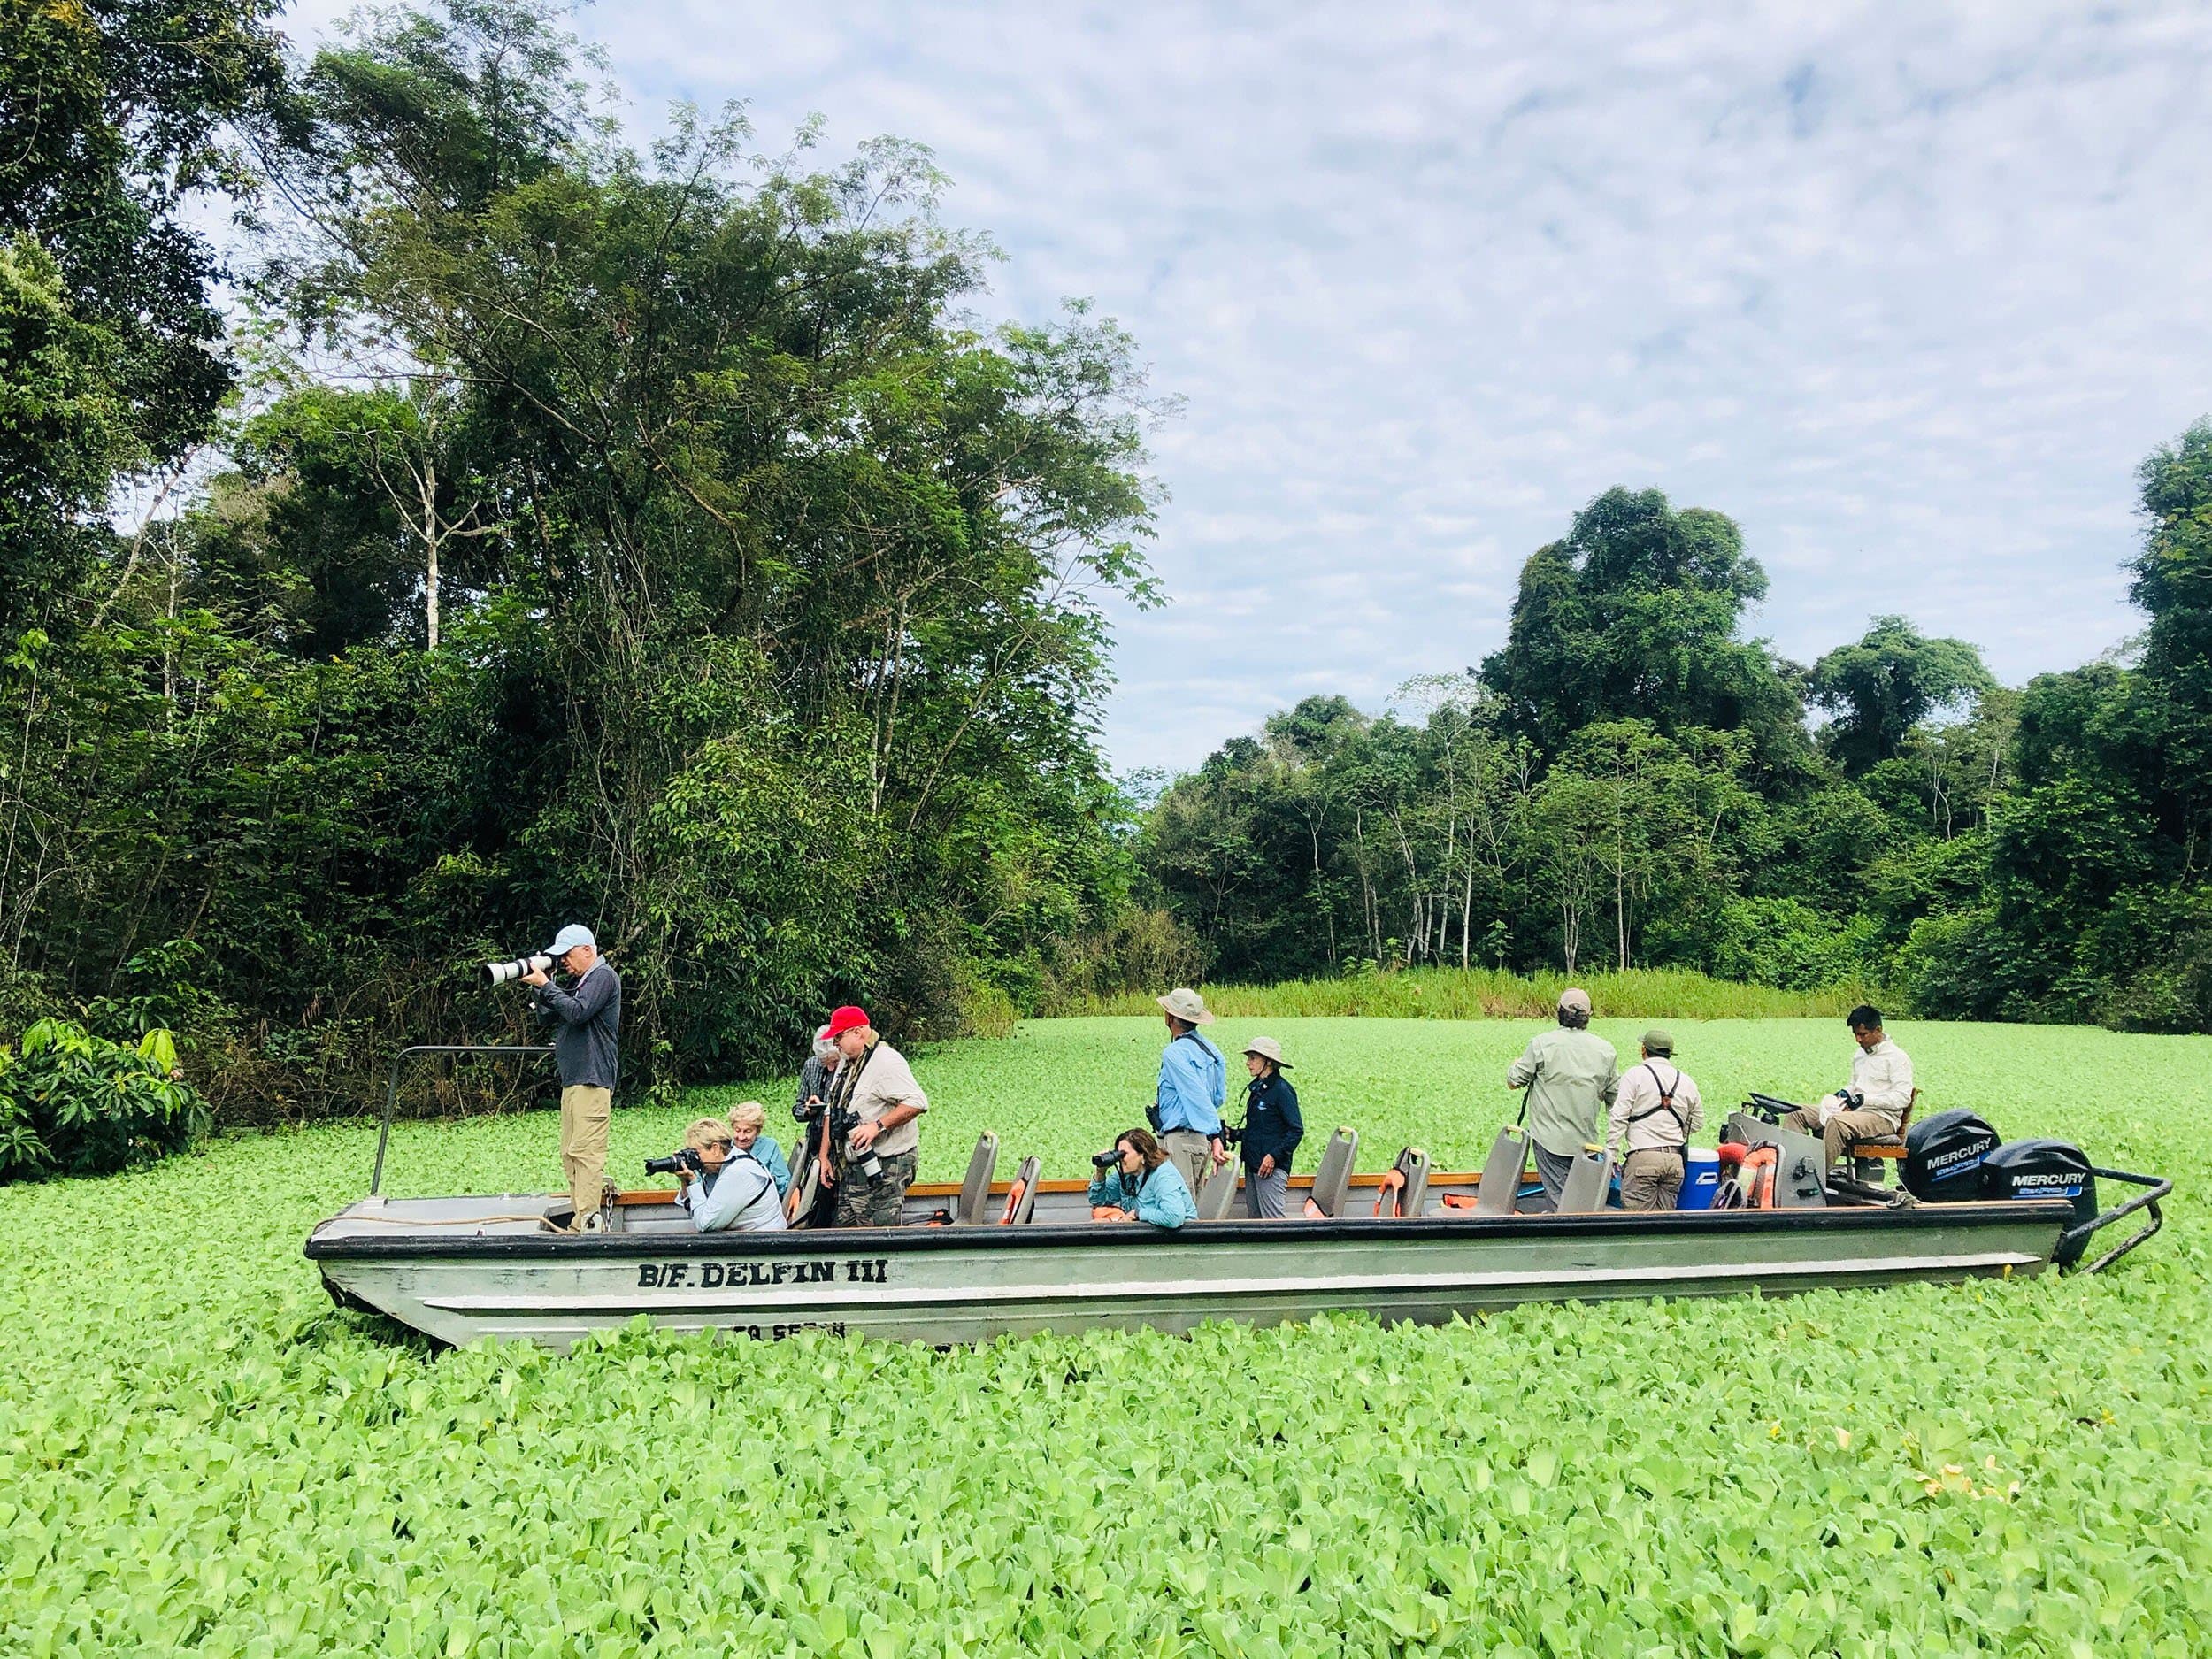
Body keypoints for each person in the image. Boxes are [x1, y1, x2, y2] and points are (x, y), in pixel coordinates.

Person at [523, 923, 622, 1232]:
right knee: (570, 1154)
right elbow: (548, 1015)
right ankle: (580, 1223)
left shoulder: (603, 977)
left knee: (587, 1155)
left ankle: (587, 1227)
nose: (563, 961)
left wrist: (548, 986)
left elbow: (579, 1013)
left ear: (587, 950)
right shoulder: (580, 982)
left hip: (592, 1081)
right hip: (574, 1081)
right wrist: (543, 986)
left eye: (566, 955)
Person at [1504, 987, 1618, 1213]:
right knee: (1582, 1204)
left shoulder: (1541, 1044)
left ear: (1559, 1012)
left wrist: (1516, 1063)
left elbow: (1514, 1080)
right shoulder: (1606, 1050)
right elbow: (1616, 1099)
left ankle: (1567, 1242)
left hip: (1550, 1141)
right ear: (1588, 1016)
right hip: (1588, 1144)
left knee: (1562, 1208)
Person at [821, 1004, 927, 1227]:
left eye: (839, 1036)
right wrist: (824, 1155)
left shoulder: (886, 1061)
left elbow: (917, 1102)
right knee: (844, 1236)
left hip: (885, 1165)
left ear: (858, 1032)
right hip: (850, 1168)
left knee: (879, 1237)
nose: (835, 1043)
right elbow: (833, 1109)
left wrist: (877, 1126)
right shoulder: (847, 1060)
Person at [1783, 1004, 1915, 1172]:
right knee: (1796, 1112)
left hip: (1882, 1118)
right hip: (1856, 1113)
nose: (1858, 1040)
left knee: (1837, 1122)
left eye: (1862, 1034)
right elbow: (1854, 1085)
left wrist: (1865, 1099)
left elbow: (1903, 1098)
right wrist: (1845, 1093)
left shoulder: (1897, 1058)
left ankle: (1815, 1177)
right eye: (1855, 1034)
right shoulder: (1860, 1054)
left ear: (1878, 1030)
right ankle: (1791, 1169)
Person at [1605, 1028, 1704, 1211]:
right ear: (1669, 1054)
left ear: (1644, 1049)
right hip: (1675, 1163)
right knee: (1663, 1226)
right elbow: (1697, 1122)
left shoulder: (1635, 1075)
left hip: (1643, 1159)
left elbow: (1618, 1118)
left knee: (1636, 1224)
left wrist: (1611, 1155)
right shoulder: (1687, 1081)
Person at [1153, 987, 1228, 1197]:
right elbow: (1218, 1097)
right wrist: (1214, 1138)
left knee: (1180, 1206)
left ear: (1170, 1017)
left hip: (1180, 1140)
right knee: (1192, 1203)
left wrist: (1215, 1134)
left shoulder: (1173, 1053)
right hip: (1200, 1140)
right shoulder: (1212, 1050)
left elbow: (1196, 1095)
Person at [673, 1118, 787, 1233]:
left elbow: (705, 1224)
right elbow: (693, 1209)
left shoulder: (737, 1173)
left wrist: (693, 1181)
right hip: (746, 1239)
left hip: (765, 1242)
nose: (694, 1159)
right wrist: (685, 1180)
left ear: (715, 1149)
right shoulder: (724, 1164)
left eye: (696, 1153)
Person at [1237, 1036, 1304, 1219]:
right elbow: (1260, 1129)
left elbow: (1296, 1130)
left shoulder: (1282, 1090)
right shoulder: (1259, 1090)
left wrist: (1274, 1156)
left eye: (1252, 1058)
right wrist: (1234, 1134)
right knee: (1255, 1220)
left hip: (1270, 1169)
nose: (1248, 1063)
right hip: (1253, 1164)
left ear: (1268, 1062)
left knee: (1273, 1223)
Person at [1087, 1127, 1198, 1229]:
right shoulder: (1126, 1174)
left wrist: (1138, 1213)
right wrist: (1100, 1173)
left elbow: (1174, 1217)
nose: (1120, 1159)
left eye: (1123, 1154)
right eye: (1118, 1154)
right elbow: (1098, 1202)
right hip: (1147, 1235)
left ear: (1143, 1155)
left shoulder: (1163, 1175)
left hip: (1180, 1237)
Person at [726, 1100, 792, 1196]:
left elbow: (786, 1183)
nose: (741, 1137)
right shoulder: (726, 1148)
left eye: (747, 1131)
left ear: (758, 1131)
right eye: (737, 1130)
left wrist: (770, 1179)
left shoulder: (769, 1146)